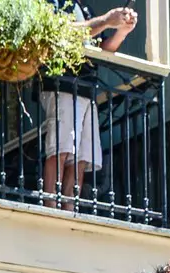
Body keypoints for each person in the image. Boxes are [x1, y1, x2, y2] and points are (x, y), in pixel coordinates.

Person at [42, 3, 138, 201]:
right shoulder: (52, 3)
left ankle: (69, 210)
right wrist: (106, 20)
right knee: (61, 150)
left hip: (86, 89)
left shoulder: (83, 8)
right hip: (63, 84)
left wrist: (122, 31)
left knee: (80, 160)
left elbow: (103, 48)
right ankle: (50, 207)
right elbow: (61, 32)